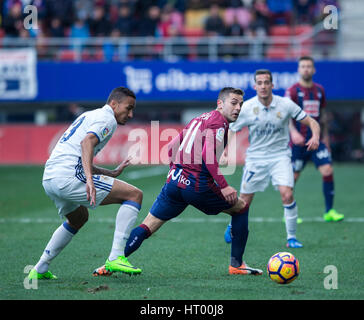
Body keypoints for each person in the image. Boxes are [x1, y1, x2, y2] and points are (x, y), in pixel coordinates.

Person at [95, 87, 264, 276]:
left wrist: (178, 171)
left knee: (148, 225)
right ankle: (237, 265)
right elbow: (208, 156)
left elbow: (171, 147)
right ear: (220, 104)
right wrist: (223, 186)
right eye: (233, 103)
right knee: (241, 207)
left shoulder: (199, 118)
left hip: (175, 182)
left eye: (240, 104)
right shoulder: (219, 123)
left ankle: (110, 264)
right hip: (197, 185)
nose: (238, 108)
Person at [28, 87, 143, 280]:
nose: (130, 114)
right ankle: (116, 257)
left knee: (78, 218)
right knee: (134, 195)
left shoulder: (91, 115)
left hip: (50, 177)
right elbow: (86, 143)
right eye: (128, 108)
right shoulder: (108, 119)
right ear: (114, 104)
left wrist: (110, 172)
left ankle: (40, 267)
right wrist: (89, 179)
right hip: (68, 176)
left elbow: (79, 155)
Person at [222, 69, 320, 249]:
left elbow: (312, 121)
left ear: (272, 85)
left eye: (266, 82)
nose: (263, 86)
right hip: (256, 159)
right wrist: (225, 149)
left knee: (287, 194)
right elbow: (232, 129)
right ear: (255, 86)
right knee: (244, 201)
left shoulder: (285, 104)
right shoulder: (247, 108)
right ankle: (231, 226)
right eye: (259, 83)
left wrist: (315, 136)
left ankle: (291, 238)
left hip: (280, 157)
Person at [286, 56, 344, 222]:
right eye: (303, 66)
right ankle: (289, 214)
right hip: (298, 143)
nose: (306, 69)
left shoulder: (319, 90)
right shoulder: (292, 91)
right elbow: (286, 115)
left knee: (328, 171)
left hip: (317, 141)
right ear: (298, 69)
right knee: (293, 178)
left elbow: (323, 116)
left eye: (308, 66)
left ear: (313, 70)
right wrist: (293, 133)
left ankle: (329, 211)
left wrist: (325, 139)